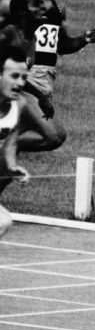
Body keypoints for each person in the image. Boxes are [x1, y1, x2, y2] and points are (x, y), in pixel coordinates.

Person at [0, 0, 95, 151]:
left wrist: (83, 39)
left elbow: (60, 45)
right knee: (53, 135)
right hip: (26, 83)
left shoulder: (53, 9)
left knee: (11, 158)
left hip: (43, 84)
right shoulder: (18, 9)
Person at [0, 45, 32, 239]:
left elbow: (11, 141)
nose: (20, 83)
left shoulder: (19, 105)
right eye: (14, 76)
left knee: (3, 221)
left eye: (24, 77)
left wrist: (12, 166)